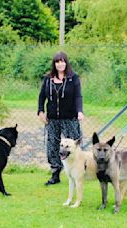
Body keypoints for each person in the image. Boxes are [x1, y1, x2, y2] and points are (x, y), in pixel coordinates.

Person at [38, 51, 84, 186]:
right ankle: (55, 174)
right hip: (52, 119)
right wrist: (40, 111)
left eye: (62, 61)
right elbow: (42, 96)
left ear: (66, 62)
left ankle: (77, 173)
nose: (60, 64)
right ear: (54, 64)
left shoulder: (73, 78)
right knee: (53, 146)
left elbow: (78, 96)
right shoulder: (48, 79)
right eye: (57, 62)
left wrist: (79, 111)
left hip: (70, 118)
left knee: (73, 146)